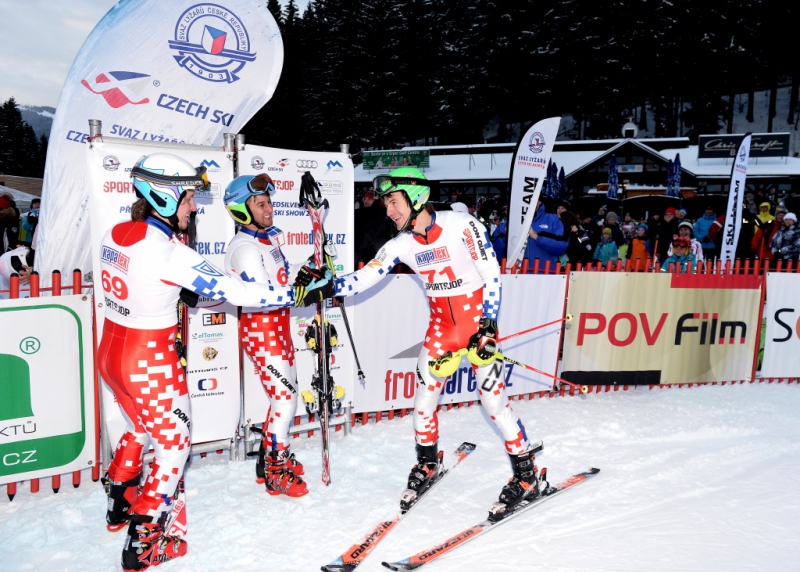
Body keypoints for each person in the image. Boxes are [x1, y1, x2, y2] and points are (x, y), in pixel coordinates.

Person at [97, 153, 329, 571]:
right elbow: (241, 293)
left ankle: (119, 502)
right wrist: (299, 293)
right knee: (173, 448)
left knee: (139, 427)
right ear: (163, 196)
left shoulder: (116, 232)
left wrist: (188, 290)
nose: (193, 206)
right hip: (148, 359)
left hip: (112, 351)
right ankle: (143, 541)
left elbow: (159, 284)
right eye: (187, 198)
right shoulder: (170, 251)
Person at [309, 167, 544, 512]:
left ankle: (526, 475)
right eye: (386, 203)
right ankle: (427, 463)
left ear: (416, 196)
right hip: (441, 332)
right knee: (423, 402)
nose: (388, 210)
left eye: (394, 201)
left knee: (494, 404)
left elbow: (492, 275)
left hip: (478, 330)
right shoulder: (402, 243)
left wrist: (488, 327)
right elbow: (365, 276)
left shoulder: (462, 225)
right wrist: (329, 285)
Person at [223, 174, 309, 498]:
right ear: (241, 209)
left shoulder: (266, 238)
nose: (269, 208)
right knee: (285, 400)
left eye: (269, 202)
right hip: (261, 328)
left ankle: (269, 458)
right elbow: (265, 295)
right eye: (260, 204)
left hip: (278, 325)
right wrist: (305, 292)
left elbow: (282, 277)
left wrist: (308, 270)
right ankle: (275, 472)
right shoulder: (244, 248)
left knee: (284, 398)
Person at [524, 201, 567, 272]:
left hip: (545, 273)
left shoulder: (554, 219)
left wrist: (537, 238)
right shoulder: (512, 220)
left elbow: (560, 247)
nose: (530, 202)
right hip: (517, 273)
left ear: (539, 202)